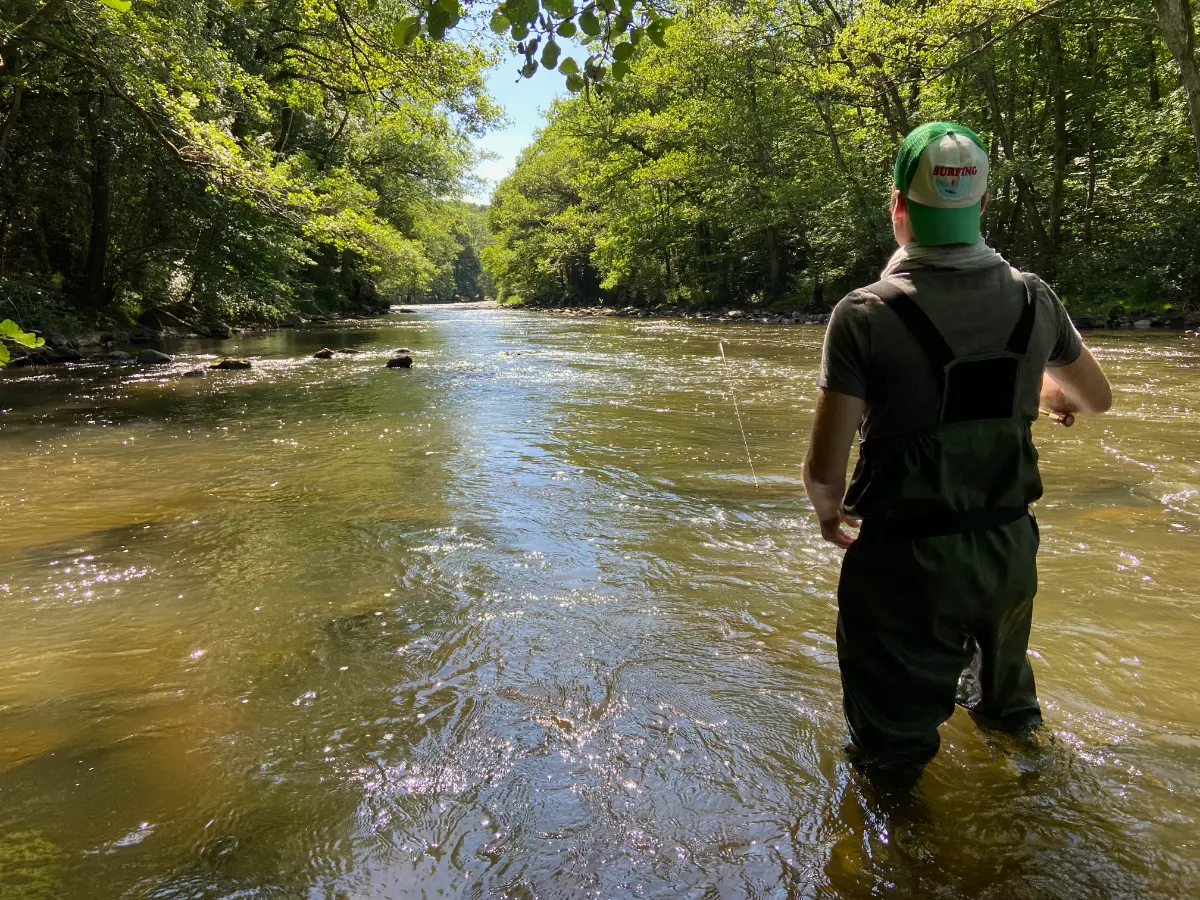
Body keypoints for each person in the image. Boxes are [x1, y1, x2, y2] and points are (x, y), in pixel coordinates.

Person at [802, 121, 1113, 780]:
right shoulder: (1035, 298)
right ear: (984, 204)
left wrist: (830, 515)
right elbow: (1094, 399)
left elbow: (825, 470)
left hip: (905, 566)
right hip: (1006, 552)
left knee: (890, 756)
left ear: (898, 207)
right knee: (1008, 714)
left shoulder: (863, 315)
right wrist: (1044, 391)